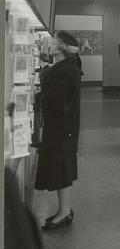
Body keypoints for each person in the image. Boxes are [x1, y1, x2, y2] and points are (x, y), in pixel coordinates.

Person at [35, 31, 83, 230]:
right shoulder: (65, 67)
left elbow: (54, 100)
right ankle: (64, 210)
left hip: (61, 128)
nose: (50, 46)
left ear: (62, 47)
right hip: (62, 127)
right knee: (62, 167)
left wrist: (40, 91)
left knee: (62, 168)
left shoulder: (64, 70)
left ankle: (64, 213)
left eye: (54, 43)